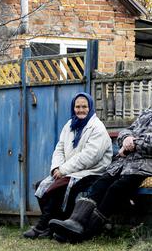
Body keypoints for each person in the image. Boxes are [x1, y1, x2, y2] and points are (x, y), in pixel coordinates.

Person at [49, 77, 152, 243]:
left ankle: (86, 232)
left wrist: (135, 143)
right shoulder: (150, 112)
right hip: (128, 164)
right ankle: (75, 222)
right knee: (100, 183)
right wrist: (126, 139)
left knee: (116, 189)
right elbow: (125, 131)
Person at [22, 92, 112, 239]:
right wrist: (56, 168)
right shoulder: (70, 125)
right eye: (78, 107)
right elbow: (60, 148)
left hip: (92, 172)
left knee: (59, 188)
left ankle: (42, 227)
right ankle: (55, 227)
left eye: (84, 106)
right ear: (73, 108)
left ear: (90, 108)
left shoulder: (97, 128)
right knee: (42, 186)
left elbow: (89, 157)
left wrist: (63, 170)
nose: (81, 110)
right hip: (71, 171)